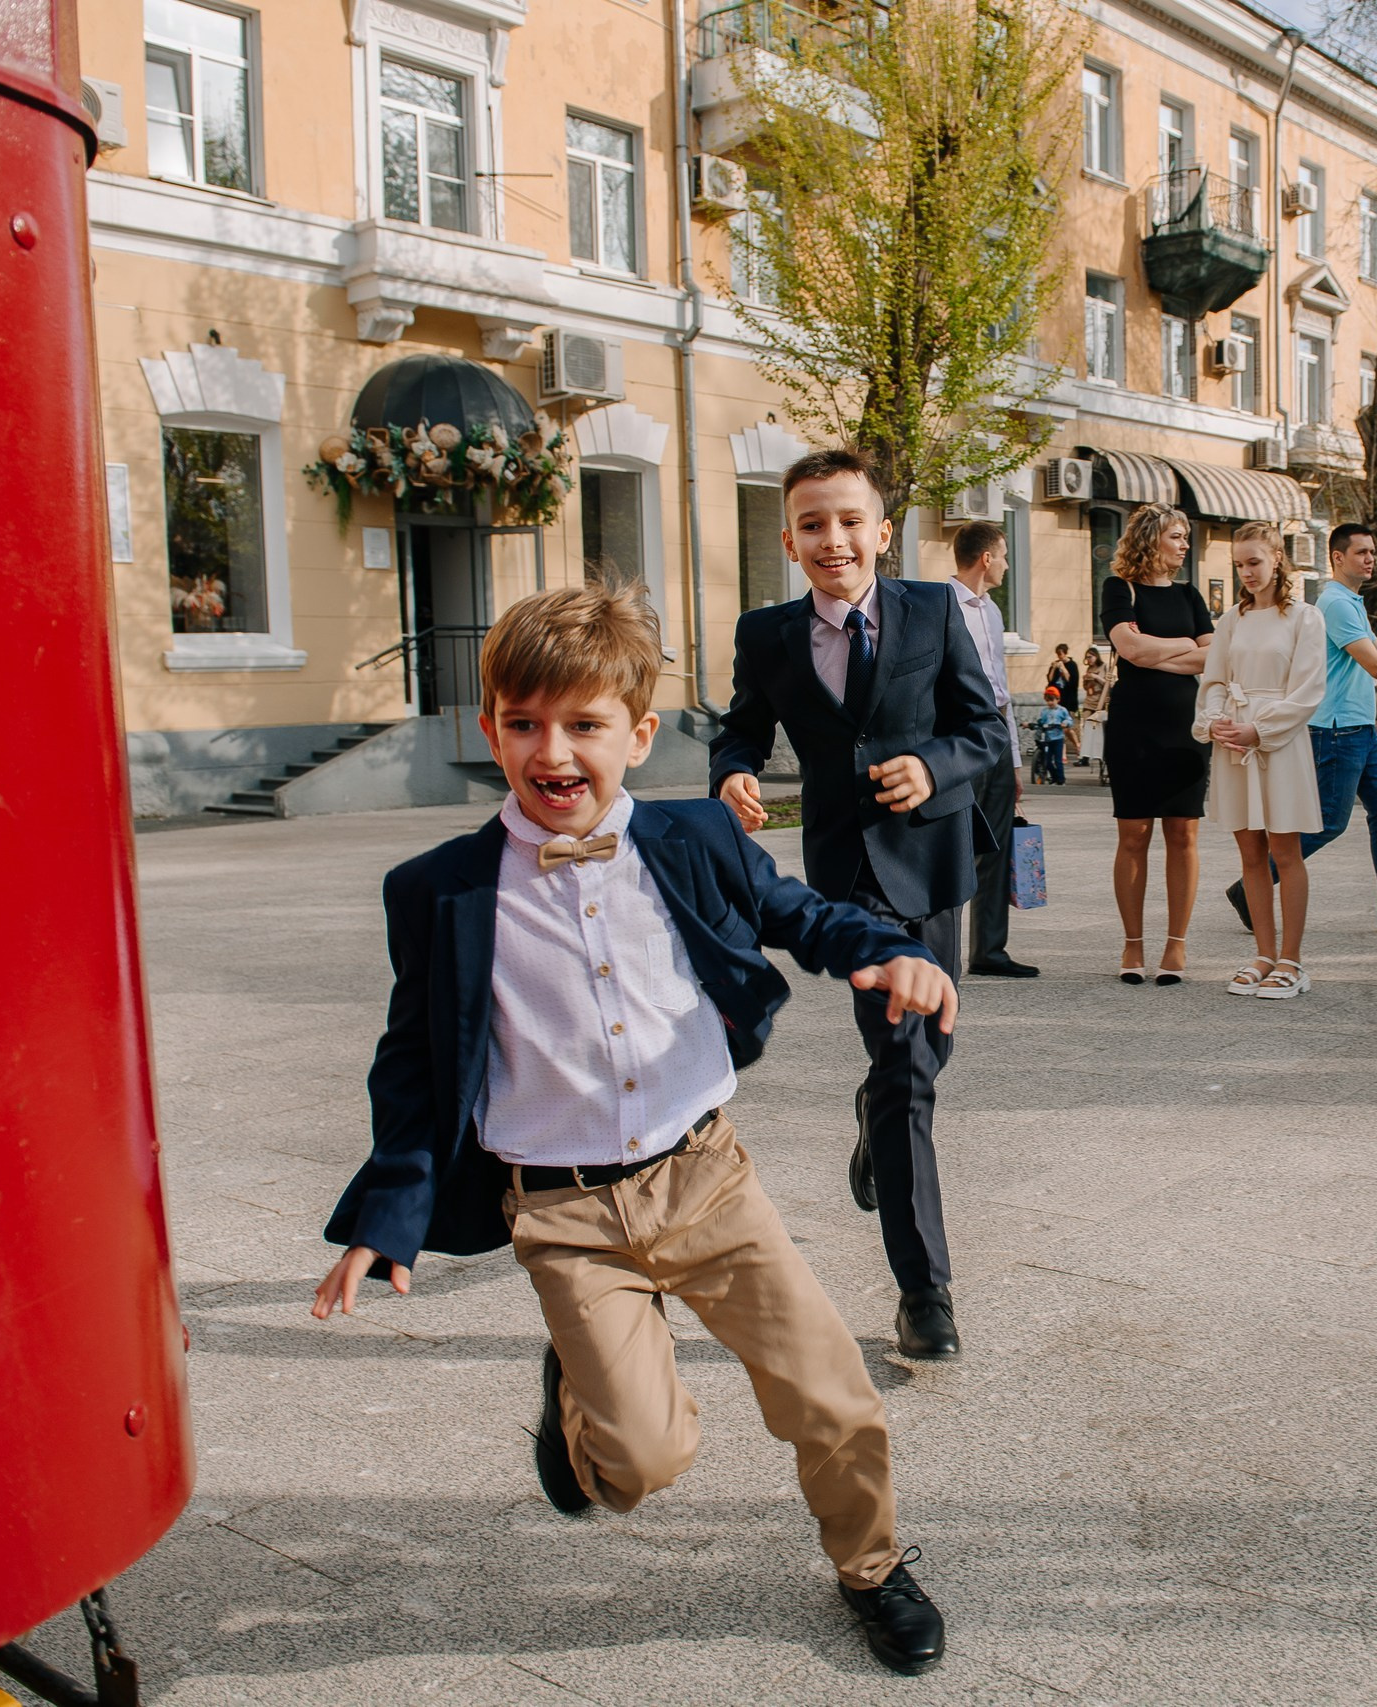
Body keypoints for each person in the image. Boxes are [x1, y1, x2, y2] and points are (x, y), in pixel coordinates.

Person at [311, 585, 954, 1675]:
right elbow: (414, 1062)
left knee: (832, 1397)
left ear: (640, 734)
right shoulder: (439, 891)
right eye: (523, 724)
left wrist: (881, 948)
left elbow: (795, 913)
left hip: (705, 1182)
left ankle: (874, 1566)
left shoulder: (695, 837)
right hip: (563, 1214)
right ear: (490, 732)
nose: (551, 752)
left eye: (583, 725)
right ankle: (585, 1403)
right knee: (644, 1462)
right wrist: (389, 1210)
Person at [710, 448, 1005, 1359]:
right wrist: (733, 773)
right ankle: (925, 1292)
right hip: (849, 882)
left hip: (933, 861)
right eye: (811, 523)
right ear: (791, 538)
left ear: (883, 531)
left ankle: (873, 1120)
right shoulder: (765, 634)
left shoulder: (936, 610)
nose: (832, 538)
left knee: (931, 1043)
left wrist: (936, 764)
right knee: (909, 1064)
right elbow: (742, 725)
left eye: (849, 521)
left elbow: (984, 729)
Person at [1223, 521, 1377, 936]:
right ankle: (1248, 888)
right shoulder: (1336, 604)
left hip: (1359, 726)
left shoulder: (1353, 602)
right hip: (1336, 728)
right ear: (1337, 558)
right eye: (1361, 552)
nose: (1369, 560)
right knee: (1330, 820)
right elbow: (1376, 665)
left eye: (1372, 552)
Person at [1194, 524, 1328, 996]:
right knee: (1250, 853)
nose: (1247, 572)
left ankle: (1292, 960)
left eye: (1254, 561)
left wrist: (1261, 729)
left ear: (1276, 559)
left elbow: (1310, 689)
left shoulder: (1305, 617)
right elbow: (1212, 679)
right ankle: (1263, 955)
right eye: (1239, 564)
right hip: (1234, 743)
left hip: (1279, 742)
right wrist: (1215, 723)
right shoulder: (1231, 619)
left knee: (1284, 852)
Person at [1099, 503, 1213, 985]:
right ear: (1151, 538)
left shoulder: (1190, 596)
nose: (1184, 544)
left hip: (1186, 729)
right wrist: (1184, 647)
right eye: (1177, 535)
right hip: (1133, 728)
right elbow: (1128, 648)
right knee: (1134, 834)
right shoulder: (1118, 588)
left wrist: (1155, 653)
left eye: (1185, 536)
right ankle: (1132, 945)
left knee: (1183, 833)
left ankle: (1176, 945)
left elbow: (1214, 657)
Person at [948, 519, 1036, 980]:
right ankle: (940, 950)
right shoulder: (940, 605)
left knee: (997, 844)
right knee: (952, 844)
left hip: (997, 738)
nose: (1004, 564)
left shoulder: (994, 612)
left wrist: (1016, 759)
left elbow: (1003, 691)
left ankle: (989, 951)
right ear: (986, 557)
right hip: (959, 738)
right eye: (1002, 555)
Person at [1029, 685, 1072, 784]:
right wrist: (1032, 724)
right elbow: (1041, 721)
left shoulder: (1062, 710)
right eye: (1048, 700)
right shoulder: (1045, 711)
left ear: (1058, 699)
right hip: (1048, 738)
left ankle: (1061, 780)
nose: (1050, 702)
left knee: (1058, 761)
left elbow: (1068, 720)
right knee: (1047, 761)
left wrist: (1065, 723)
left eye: (1052, 700)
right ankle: (1054, 777)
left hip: (1058, 738)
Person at [1046, 642, 1081, 757]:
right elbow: (1050, 680)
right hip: (1057, 699)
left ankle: (1077, 744)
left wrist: (1063, 668)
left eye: (1061, 654)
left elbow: (1071, 681)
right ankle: (1062, 755)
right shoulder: (1055, 665)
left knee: (1067, 728)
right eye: (1058, 654)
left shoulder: (1072, 665)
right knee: (1059, 728)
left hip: (1068, 700)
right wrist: (1053, 668)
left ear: (1065, 653)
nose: (1059, 657)